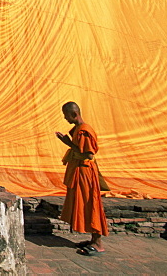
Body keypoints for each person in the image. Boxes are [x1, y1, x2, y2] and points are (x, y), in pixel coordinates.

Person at [54, 101, 109, 255]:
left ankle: (98, 243)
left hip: (85, 173)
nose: (65, 119)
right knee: (84, 205)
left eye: (66, 115)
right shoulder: (78, 129)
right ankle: (93, 240)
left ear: (74, 114)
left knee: (90, 204)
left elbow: (89, 154)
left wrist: (68, 143)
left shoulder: (84, 131)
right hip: (80, 171)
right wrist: (69, 143)